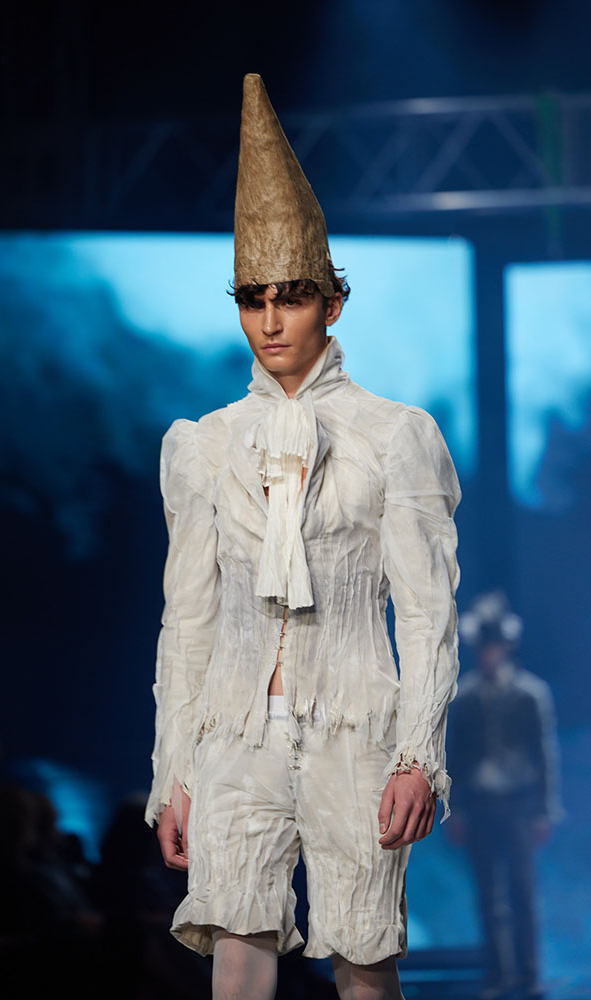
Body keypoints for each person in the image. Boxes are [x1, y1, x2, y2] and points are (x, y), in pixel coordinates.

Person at [145, 73, 461, 1000]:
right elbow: (187, 623)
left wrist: (418, 755)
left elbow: (428, 612)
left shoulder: (393, 436)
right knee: (237, 959)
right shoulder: (205, 446)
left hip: (357, 729)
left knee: (362, 961)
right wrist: (173, 772)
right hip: (232, 735)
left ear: (331, 301)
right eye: (253, 299)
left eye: (290, 297)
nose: (271, 320)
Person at [447, 591, 563, 1000]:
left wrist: (545, 810)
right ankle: (499, 975)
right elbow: (456, 758)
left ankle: (529, 975)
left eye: (494, 646)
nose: (489, 654)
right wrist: (456, 809)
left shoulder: (530, 694)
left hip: (518, 804)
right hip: (481, 804)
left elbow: (544, 755)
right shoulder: (466, 697)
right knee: (488, 893)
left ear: (506, 646)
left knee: (522, 891)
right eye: (484, 647)